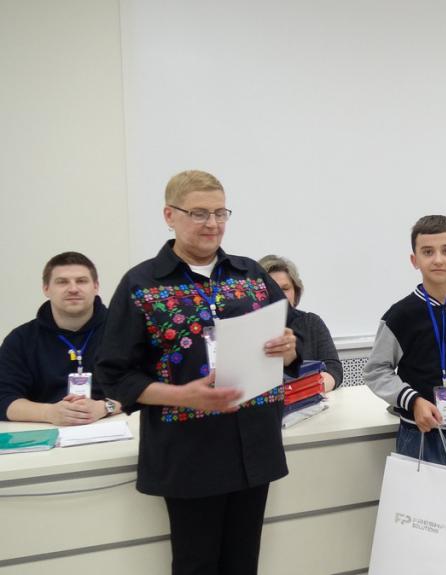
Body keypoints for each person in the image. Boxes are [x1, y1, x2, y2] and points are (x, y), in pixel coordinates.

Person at [96, 170, 300, 575]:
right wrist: (182, 395)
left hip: (253, 446)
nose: (213, 224)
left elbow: (294, 341)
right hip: (189, 453)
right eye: (199, 213)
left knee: (243, 563)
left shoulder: (251, 276)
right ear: (169, 215)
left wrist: (289, 348)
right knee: (196, 565)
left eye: (221, 213)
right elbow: (113, 375)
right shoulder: (141, 285)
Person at [363, 215, 446, 472]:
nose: (438, 259)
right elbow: (376, 371)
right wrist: (413, 401)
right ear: (414, 260)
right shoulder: (400, 315)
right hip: (421, 435)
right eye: (428, 252)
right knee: (422, 500)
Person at [0, 252, 119, 424]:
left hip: (115, 425)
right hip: (46, 431)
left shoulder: (124, 330)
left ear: (95, 286)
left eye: (81, 281)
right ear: (46, 289)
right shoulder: (20, 339)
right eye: (62, 282)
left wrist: (105, 407)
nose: (73, 289)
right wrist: (48, 413)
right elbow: (4, 398)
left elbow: (147, 386)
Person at [260, 255, 343, 391]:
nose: (279, 295)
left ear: (296, 292)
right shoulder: (247, 328)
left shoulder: (311, 323)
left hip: (308, 400)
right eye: (271, 289)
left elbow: (333, 369)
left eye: (285, 288)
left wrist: (305, 390)